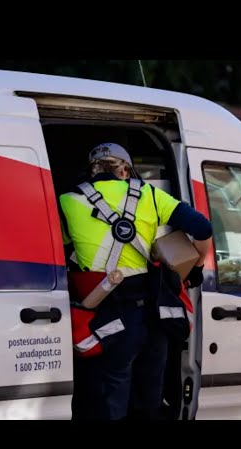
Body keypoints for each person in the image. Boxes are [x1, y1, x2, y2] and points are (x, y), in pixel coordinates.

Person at [59, 142, 212, 420]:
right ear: (125, 169)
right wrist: (194, 270)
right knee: (148, 400)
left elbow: (58, 249)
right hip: (154, 318)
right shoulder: (150, 194)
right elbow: (203, 228)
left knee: (108, 399)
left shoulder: (67, 202)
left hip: (107, 318)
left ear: (92, 170)